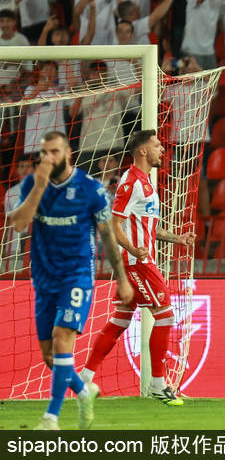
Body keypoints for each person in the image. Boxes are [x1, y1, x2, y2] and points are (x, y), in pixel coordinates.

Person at [8, 131, 133, 430]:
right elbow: (20, 224)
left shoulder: (91, 190)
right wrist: (38, 187)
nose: (47, 158)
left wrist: (122, 279)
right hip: (43, 275)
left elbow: (106, 235)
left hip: (76, 274)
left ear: (68, 154)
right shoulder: (32, 183)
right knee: (50, 356)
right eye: (43, 153)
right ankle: (83, 389)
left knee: (64, 338)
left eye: (54, 152)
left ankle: (51, 418)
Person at [78, 130, 194, 404]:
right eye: (157, 146)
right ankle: (157, 384)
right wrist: (132, 250)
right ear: (143, 151)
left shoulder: (145, 182)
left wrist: (177, 238)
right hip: (136, 262)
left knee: (120, 319)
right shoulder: (131, 183)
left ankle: (84, 378)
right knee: (165, 316)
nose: (162, 150)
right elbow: (112, 224)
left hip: (139, 259)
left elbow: (146, 227)